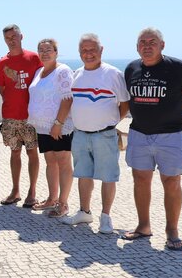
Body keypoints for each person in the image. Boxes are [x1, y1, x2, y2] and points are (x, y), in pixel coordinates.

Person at [121, 28, 182, 252]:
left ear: (162, 45)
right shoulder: (131, 68)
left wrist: (175, 116)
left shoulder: (178, 67)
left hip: (170, 135)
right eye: (142, 42)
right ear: (137, 47)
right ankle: (143, 226)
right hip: (139, 133)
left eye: (152, 42)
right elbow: (126, 99)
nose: (147, 46)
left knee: (172, 182)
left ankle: (172, 231)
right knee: (140, 180)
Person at [61, 33, 129, 235]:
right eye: (84, 50)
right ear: (79, 52)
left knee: (108, 176)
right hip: (80, 134)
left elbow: (125, 103)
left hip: (104, 135)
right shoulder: (76, 74)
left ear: (101, 50)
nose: (88, 54)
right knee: (83, 174)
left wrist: (111, 122)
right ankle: (84, 211)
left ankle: (105, 217)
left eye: (92, 49)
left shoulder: (113, 74)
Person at [0, 24, 43, 207]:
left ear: (21, 37)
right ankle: (15, 191)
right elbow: (3, 90)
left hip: (31, 116)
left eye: (14, 36)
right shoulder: (1, 63)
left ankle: (32, 192)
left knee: (32, 152)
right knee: (15, 153)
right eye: (7, 38)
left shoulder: (34, 58)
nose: (11, 40)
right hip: (10, 117)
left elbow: (43, 81)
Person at [27, 39, 74, 218]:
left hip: (59, 126)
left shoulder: (63, 71)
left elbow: (68, 99)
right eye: (41, 50)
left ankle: (63, 204)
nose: (45, 53)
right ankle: (52, 199)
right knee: (50, 162)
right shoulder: (39, 71)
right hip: (43, 127)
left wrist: (58, 124)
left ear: (56, 52)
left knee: (63, 162)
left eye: (48, 50)